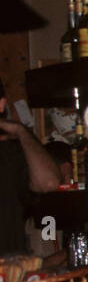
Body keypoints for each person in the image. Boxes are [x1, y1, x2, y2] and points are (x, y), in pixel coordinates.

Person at [0, 92, 62, 254]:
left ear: (1, 105)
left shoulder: (10, 153)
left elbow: (49, 183)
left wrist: (20, 130)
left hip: (9, 272)